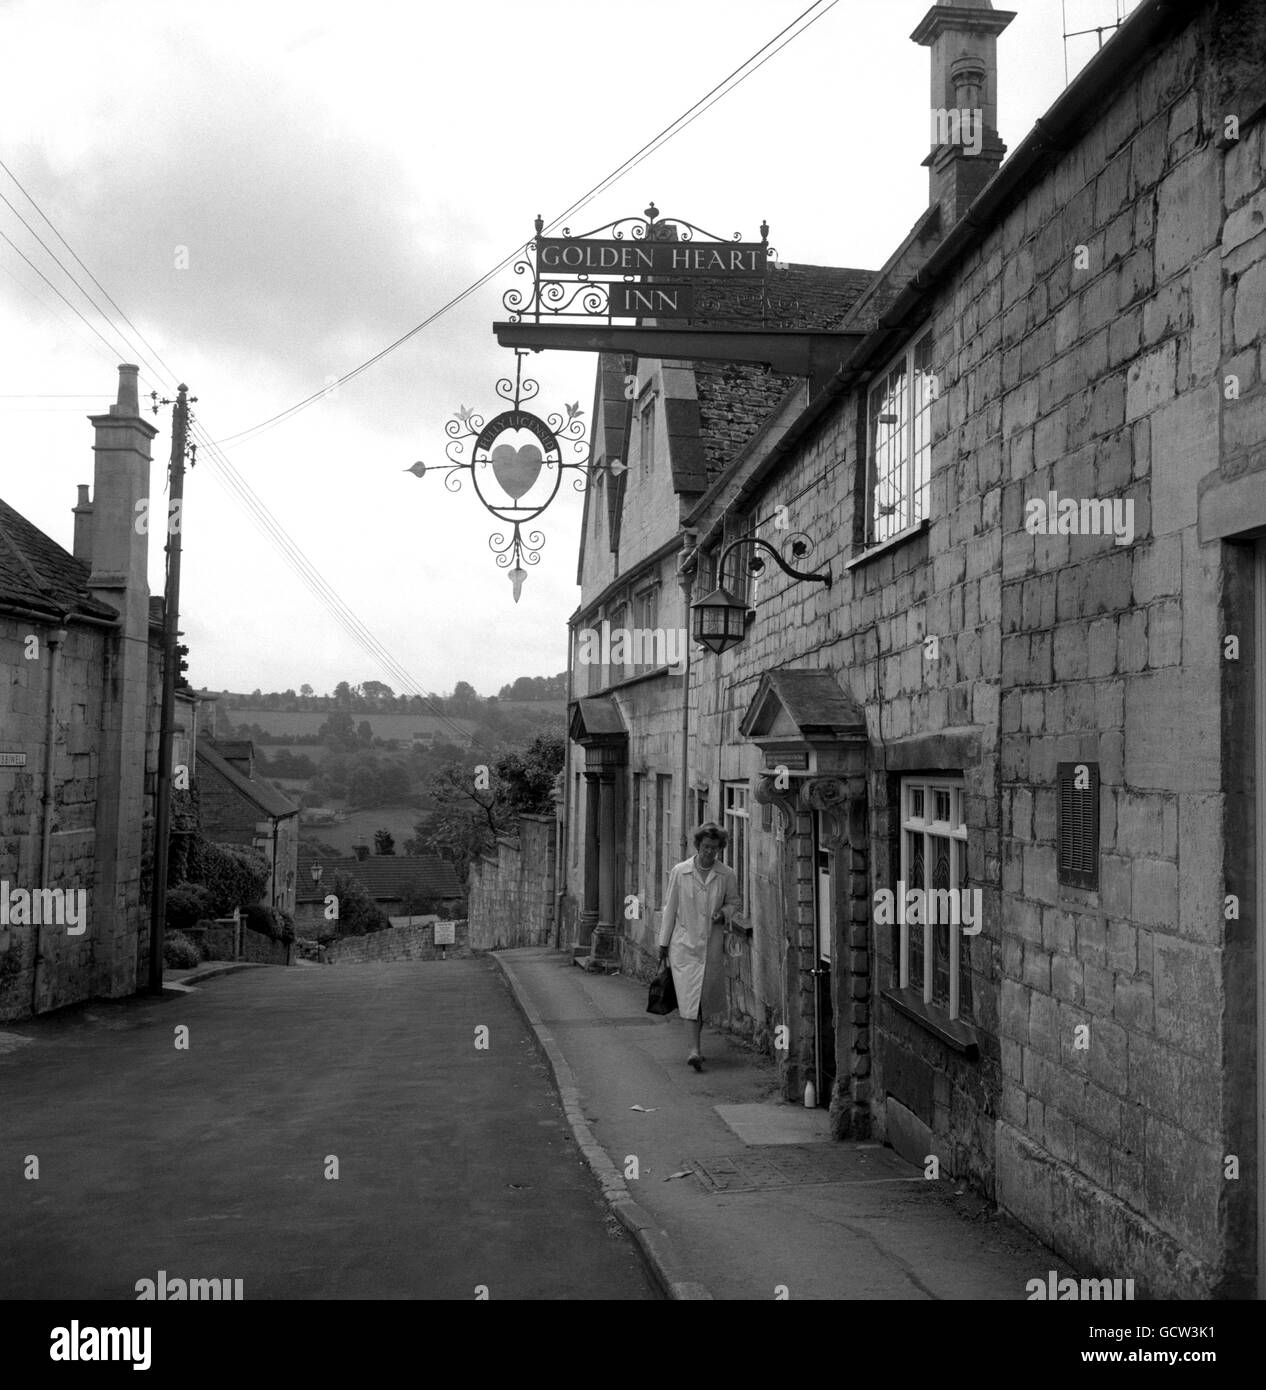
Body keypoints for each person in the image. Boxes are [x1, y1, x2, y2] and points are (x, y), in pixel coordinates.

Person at [658, 822, 739, 1071]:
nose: (709, 853)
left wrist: (723, 913)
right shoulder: (680, 872)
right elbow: (670, 908)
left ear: (720, 848)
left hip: (711, 946)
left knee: (700, 1000)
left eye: (714, 848)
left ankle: (696, 1046)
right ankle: (694, 1049)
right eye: (705, 847)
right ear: (697, 846)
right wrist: (663, 943)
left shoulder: (726, 874)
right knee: (689, 998)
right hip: (684, 945)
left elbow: (735, 902)